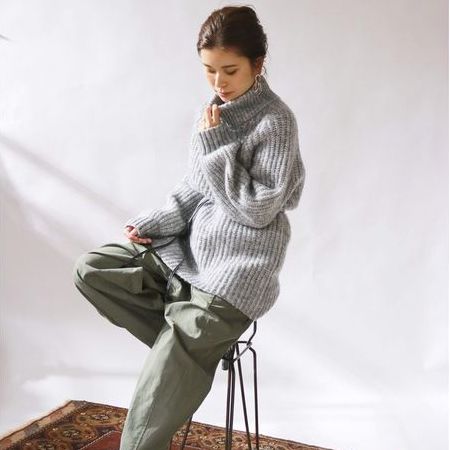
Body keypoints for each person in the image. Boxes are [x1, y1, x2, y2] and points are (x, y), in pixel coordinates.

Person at [72, 5, 305, 450]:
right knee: (93, 269)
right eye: (209, 70)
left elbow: (257, 210)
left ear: (258, 64)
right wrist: (154, 221)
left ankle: (182, 353)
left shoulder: (276, 122)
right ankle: (185, 351)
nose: (219, 83)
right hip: (188, 256)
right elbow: (195, 187)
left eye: (230, 71)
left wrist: (216, 147)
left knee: (158, 391)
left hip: (235, 275)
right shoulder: (212, 112)